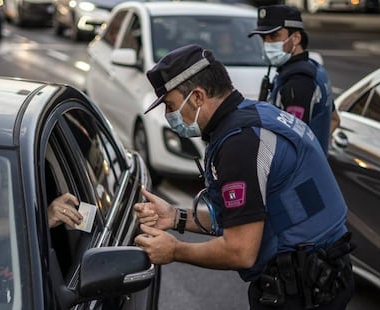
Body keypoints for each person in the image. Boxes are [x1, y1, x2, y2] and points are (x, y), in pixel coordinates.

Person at [134, 44, 354, 309]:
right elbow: (244, 217)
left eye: (170, 105)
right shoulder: (258, 114)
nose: (169, 115)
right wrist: (175, 217)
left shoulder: (240, 144)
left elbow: (240, 250)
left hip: (304, 287)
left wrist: (175, 250)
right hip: (322, 274)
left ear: (197, 97)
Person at [248, 5, 340, 154]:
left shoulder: (297, 83)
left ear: (296, 37)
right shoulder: (314, 69)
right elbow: (334, 120)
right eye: (264, 38)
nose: (267, 44)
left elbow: (291, 143)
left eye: (274, 36)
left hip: (296, 175)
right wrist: (318, 147)